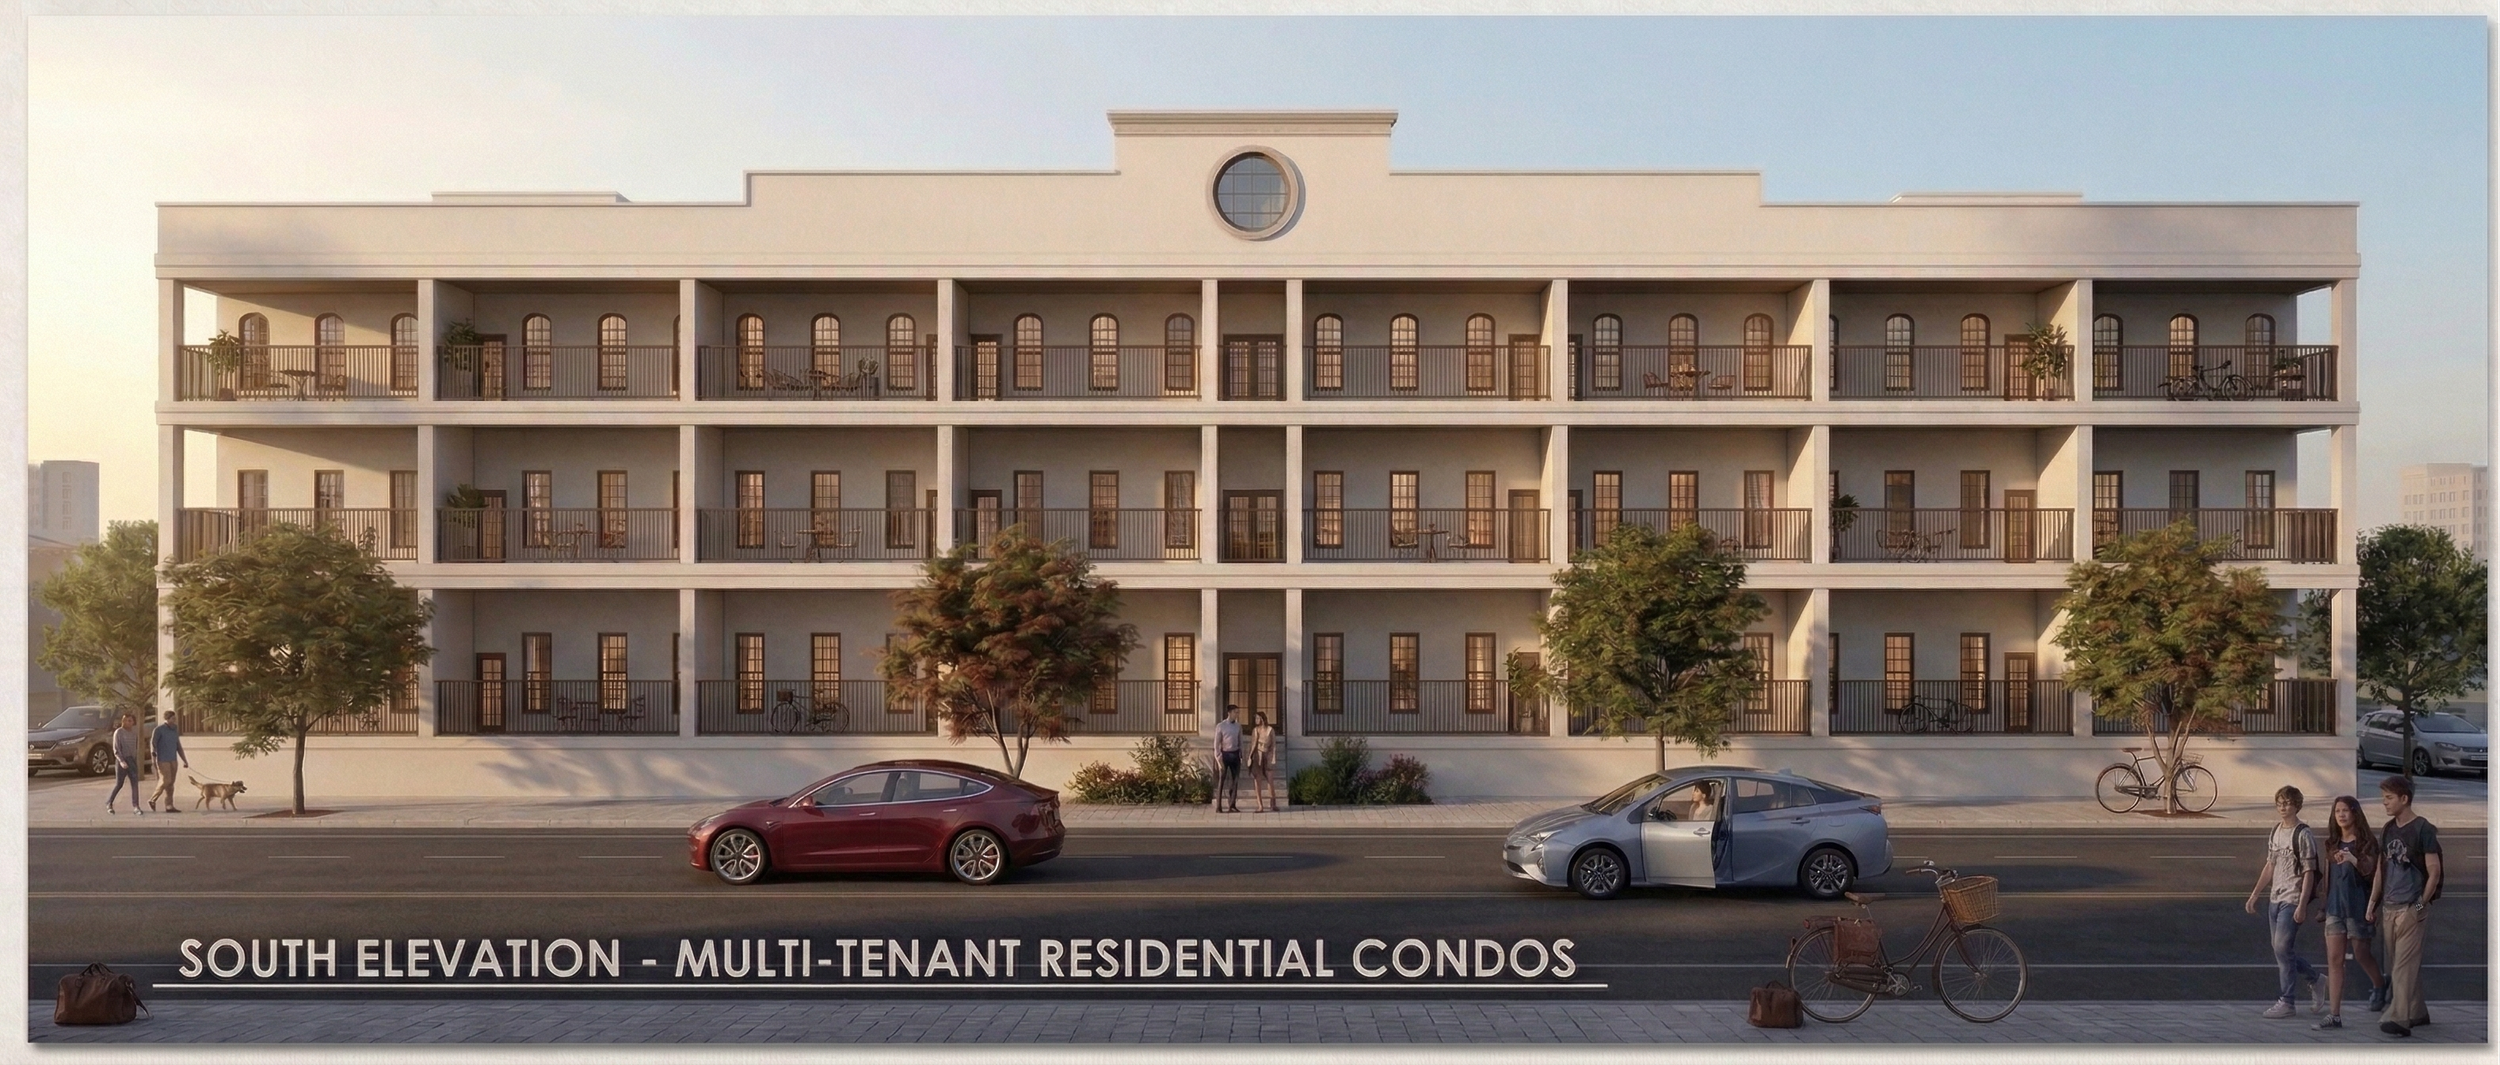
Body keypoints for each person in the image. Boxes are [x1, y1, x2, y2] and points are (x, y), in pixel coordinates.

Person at [2368, 774, 2442, 1038]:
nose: (2384, 803)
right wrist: (2373, 903)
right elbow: (2380, 868)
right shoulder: (2388, 829)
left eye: (2389, 798)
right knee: (2401, 964)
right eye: (2383, 798)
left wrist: (2419, 909)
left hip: (2412, 908)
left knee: (2402, 967)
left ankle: (2399, 1018)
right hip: (2389, 908)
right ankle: (2418, 1011)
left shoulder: (2423, 829)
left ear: (2404, 798)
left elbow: (2434, 872)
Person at [2244, 784, 2321, 1018]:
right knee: (2281, 950)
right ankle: (2315, 979)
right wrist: (2255, 893)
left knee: (2281, 948)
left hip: (2292, 898)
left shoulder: (2303, 834)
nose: (2282, 807)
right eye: (2279, 803)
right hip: (2275, 898)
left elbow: (2310, 871)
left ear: (2297, 805)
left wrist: (2302, 905)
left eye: (2287, 803)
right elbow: (2271, 865)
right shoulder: (2276, 831)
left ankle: (2287, 1001)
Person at [2312, 794, 2388, 1029]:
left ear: (2355, 813)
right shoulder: (2331, 844)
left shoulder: (2367, 843)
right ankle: (2334, 1015)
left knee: (2361, 953)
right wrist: (2322, 906)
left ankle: (2380, 984)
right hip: (2336, 907)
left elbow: (2373, 875)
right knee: (2334, 960)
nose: (2341, 815)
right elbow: (2328, 878)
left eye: (2345, 810)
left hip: (2359, 907)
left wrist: (2354, 859)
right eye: (2337, 811)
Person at [149, 711, 191, 814]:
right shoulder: (159, 730)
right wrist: (153, 758)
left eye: (174, 718)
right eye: (172, 718)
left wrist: (184, 760)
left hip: (173, 759)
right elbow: (153, 744)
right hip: (163, 760)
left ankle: (169, 805)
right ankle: (153, 799)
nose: (174, 720)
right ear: (167, 719)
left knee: (171, 784)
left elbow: (178, 746)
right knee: (165, 780)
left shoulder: (174, 729)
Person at [105, 713, 145, 816]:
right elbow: (116, 749)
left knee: (135, 783)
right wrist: (121, 761)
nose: (127, 722)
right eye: (126, 720)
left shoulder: (134, 733)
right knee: (119, 784)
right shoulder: (119, 732)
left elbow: (135, 748)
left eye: (130, 720)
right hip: (122, 760)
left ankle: (136, 806)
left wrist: (134, 761)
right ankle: (109, 803)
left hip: (132, 760)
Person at [1246, 710, 1280, 813]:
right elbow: (1253, 745)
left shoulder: (1270, 730)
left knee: (1270, 781)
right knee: (1257, 781)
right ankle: (1260, 805)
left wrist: (1273, 757)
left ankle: (1273, 804)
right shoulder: (1256, 730)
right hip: (1258, 755)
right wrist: (1249, 757)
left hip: (1267, 755)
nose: (1256, 720)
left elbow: (1273, 745)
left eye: (1257, 718)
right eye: (1255, 718)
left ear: (1262, 719)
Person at [1213, 705, 1243, 813]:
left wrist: (1241, 755)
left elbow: (1240, 741)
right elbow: (1216, 744)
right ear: (1229, 713)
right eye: (1235, 712)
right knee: (1221, 780)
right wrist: (1218, 758)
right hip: (1224, 755)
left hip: (1235, 754)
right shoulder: (1221, 726)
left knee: (1235, 781)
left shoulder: (1238, 726)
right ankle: (1218, 806)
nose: (1237, 714)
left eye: (1238, 712)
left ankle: (1232, 804)